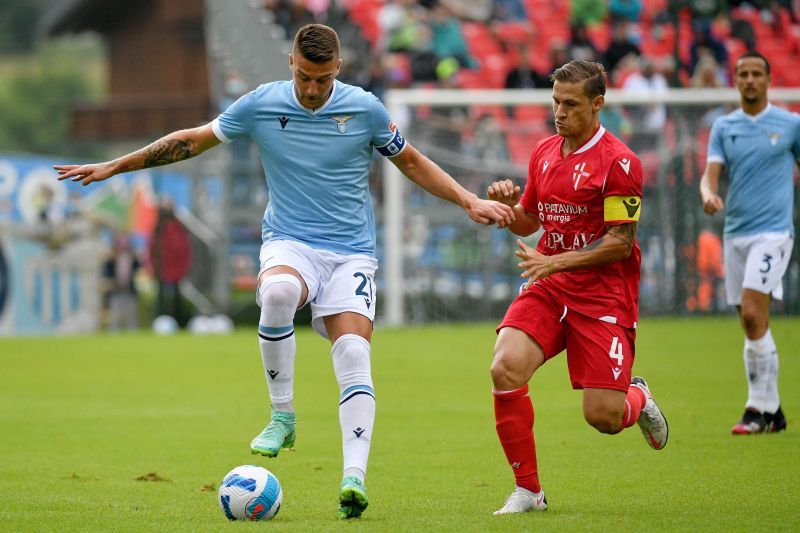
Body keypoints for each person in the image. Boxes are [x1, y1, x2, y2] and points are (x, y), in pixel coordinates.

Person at [55, 24, 513, 519]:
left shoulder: (365, 109)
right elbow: (190, 142)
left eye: (323, 80)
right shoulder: (261, 104)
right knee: (274, 297)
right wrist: (116, 165)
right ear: (291, 63)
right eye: (305, 78)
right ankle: (282, 416)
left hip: (352, 252)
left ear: (338, 69)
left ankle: (353, 479)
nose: (313, 90)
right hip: (291, 242)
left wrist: (469, 200)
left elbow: (413, 162)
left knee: (355, 352)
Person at [485, 60, 668, 515]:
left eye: (570, 104)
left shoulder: (621, 163)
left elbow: (621, 243)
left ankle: (637, 396)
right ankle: (529, 491)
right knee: (505, 367)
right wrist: (509, 208)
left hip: (603, 294)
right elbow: (531, 220)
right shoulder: (544, 151)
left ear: (597, 103)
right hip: (550, 284)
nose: (559, 112)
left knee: (602, 417)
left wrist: (556, 261)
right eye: (555, 102)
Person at [699, 50, 800, 435]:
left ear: (769, 79)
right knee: (751, 320)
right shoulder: (725, 127)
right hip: (736, 233)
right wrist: (708, 194)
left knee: (754, 315)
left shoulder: (790, 124)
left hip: (774, 233)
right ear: (736, 79)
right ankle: (773, 413)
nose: (750, 79)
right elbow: (710, 176)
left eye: (757, 73)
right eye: (743, 73)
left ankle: (757, 409)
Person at [149, 200, 192, 325]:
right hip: (162, 270)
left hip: (176, 270)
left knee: (177, 300)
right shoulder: (158, 229)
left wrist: (183, 268)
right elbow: (152, 250)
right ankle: (159, 323)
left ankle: (179, 323)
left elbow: (184, 249)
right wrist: (154, 267)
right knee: (161, 299)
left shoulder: (178, 227)